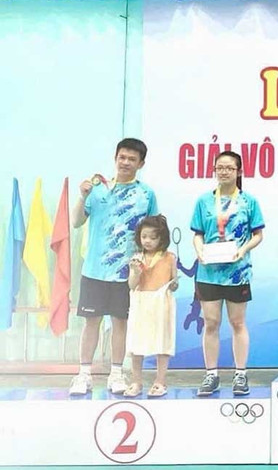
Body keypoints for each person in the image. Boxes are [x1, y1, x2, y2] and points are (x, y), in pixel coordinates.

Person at [70, 138, 159, 396]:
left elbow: (154, 233)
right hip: (95, 269)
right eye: (122, 157)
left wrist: (148, 266)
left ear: (141, 164)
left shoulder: (147, 194)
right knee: (91, 322)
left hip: (127, 273)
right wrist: (82, 196)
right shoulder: (97, 190)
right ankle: (84, 374)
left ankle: (117, 374)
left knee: (120, 323)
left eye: (132, 159)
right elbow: (76, 222)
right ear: (115, 158)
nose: (126, 162)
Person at [192, 151, 265, 396]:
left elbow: (258, 235)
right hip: (208, 273)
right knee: (211, 323)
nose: (224, 172)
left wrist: (243, 250)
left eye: (229, 168)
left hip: (237, 272)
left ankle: (240, 374)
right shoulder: (203, 201)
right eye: (219, 167)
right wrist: (199, 250)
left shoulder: (249, 201)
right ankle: (211, 375)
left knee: (238, 322)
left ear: (239, 172)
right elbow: (198, 233)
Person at [124, 215, 178, 398]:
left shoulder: (170, 257)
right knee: (136, 344)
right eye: (144, 236)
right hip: (140, 303)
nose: (147, 241)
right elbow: (132, 285)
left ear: (162, 238)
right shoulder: (136, 258)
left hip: (162, 303)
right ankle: (136, 381)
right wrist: (135, 272)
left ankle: (160, 382)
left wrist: (174, 284)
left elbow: (174, 283)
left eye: (153, 237)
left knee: (162, 343)